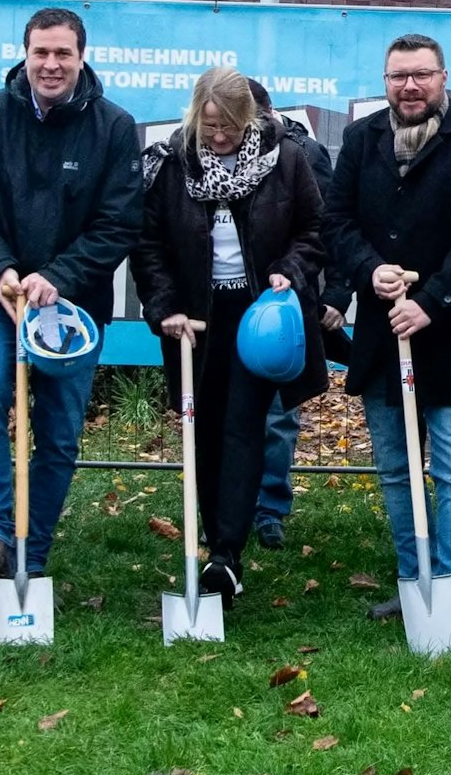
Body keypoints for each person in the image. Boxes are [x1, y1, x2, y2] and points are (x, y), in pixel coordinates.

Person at [0, 8, 142, 582]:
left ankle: (32, 549)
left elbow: (119, 223)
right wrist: (3, 270)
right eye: (41, 53)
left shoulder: (113, 125)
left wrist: (59, 275)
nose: (51, 65)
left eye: (63, 54)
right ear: (24, 54)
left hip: (74, 307)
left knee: (58, 432)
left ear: (81, 56)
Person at [324, 33, 451, 647]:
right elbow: (336, 221)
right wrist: (367, 269)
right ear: (385, 79)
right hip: (382, 334)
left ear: (443, 78)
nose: (409, 87)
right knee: (397, 471)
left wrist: (431, 302)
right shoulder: (361, 138)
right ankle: (413, 584)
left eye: (421, 75)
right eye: (398, 75)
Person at [131, 67, 327, 603]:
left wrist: (290, 268)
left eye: (231, 128)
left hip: (259, 315)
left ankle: (226, 554)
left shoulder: (285, 159)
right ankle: (214, 534)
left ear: (251, 119)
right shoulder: (171, 164)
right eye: (211, 126)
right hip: (193, 317)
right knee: (204, 429)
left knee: (243, 426)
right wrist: (164, 306)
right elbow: (147, 244)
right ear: (196, 115)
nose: (220, 138)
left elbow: (314, 230)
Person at [247, 78, 347, 550]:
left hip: (288, 302)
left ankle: (270, 509)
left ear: (266, 113)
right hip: (229, 302)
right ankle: (229, 506)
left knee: (277, 414)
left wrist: (337, 296)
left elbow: (329, 228)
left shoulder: (302, 154)